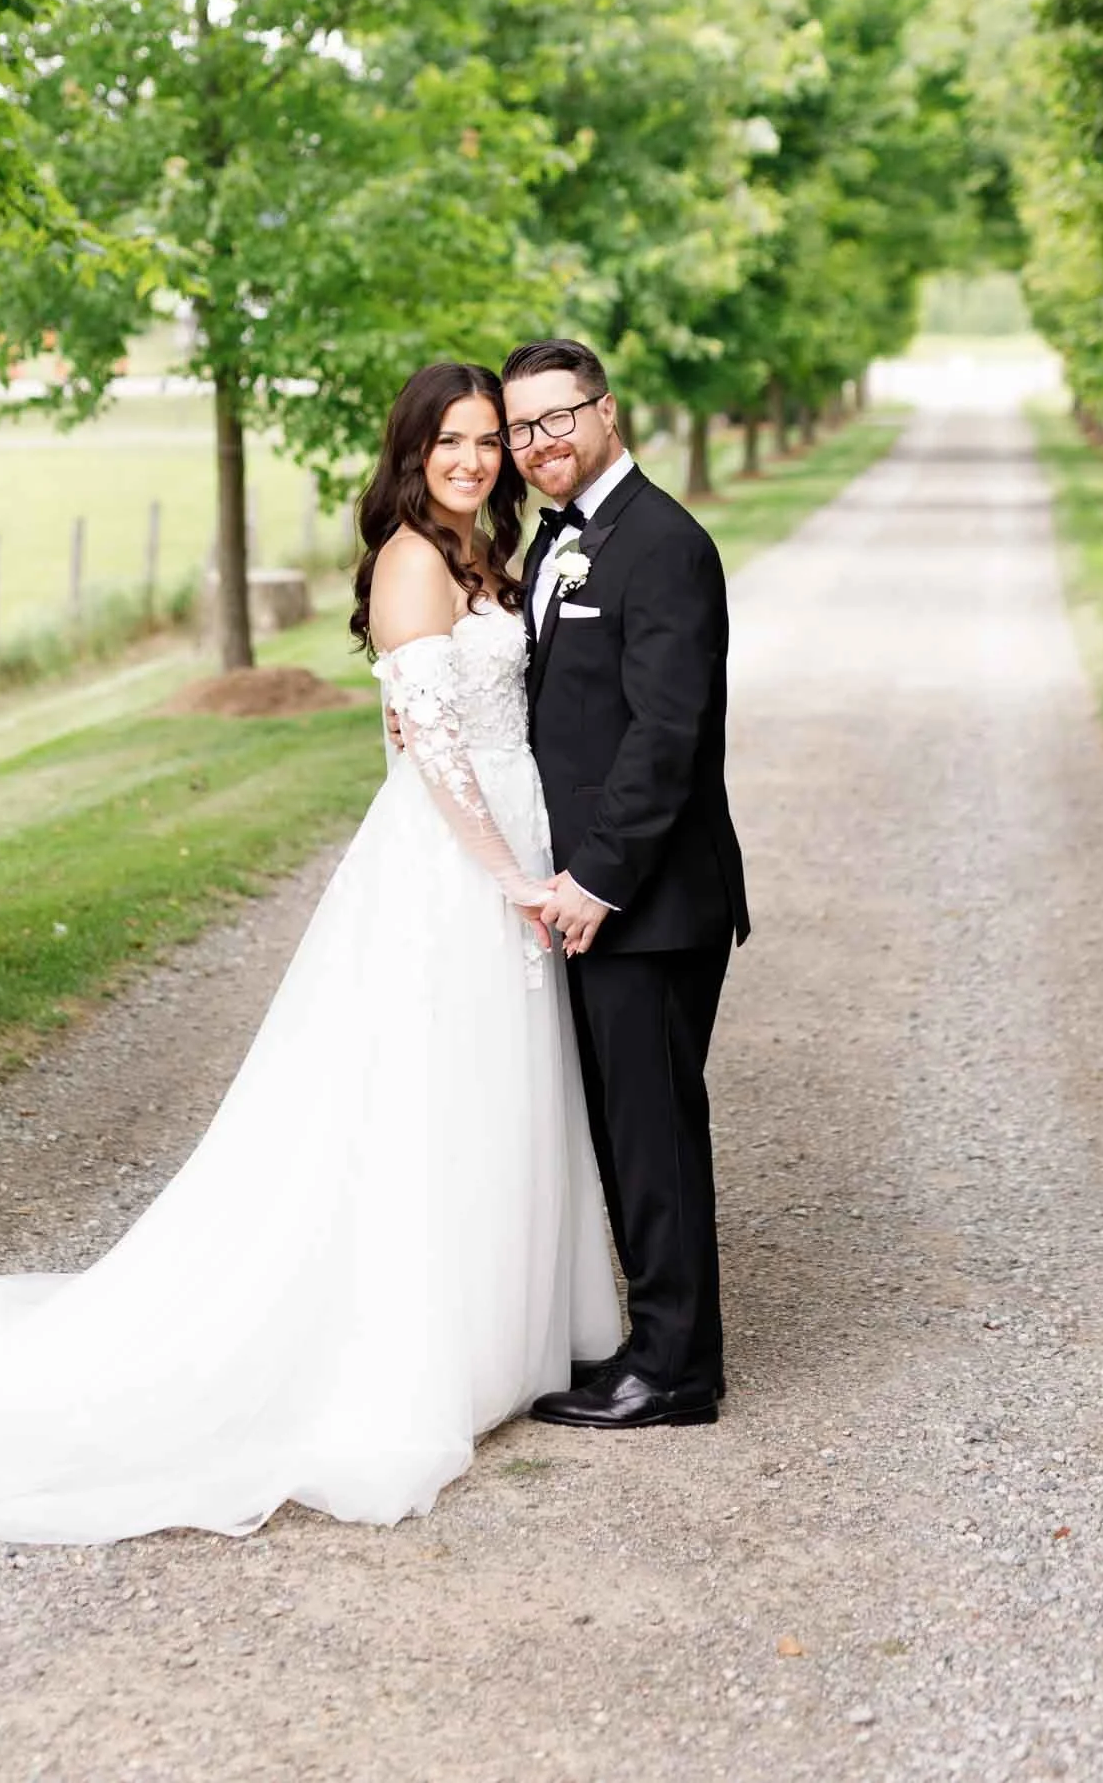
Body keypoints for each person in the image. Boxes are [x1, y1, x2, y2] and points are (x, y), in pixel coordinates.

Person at [0, 362, 619, 1544]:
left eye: (484, 442)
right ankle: (415, 1353)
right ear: (411, 453)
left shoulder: (476, 555)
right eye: (448, 442)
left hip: (501, 839)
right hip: (461, 861)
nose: (471, 459)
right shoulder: (414, 557)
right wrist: (500, 869)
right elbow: (434, 750)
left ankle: (496, 1331)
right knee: (420, 1096)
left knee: (479, 1090)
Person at [502, 339, 749, 1431]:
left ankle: (676, 1370)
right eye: (519, 430)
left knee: (651, 1134)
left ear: (604, 412)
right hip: (594, 899)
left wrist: (596, 879)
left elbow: (665, 735)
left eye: (555, 420)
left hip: (646, 904)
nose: (535, 444)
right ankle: (657, 1344)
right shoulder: (559, 541)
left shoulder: (661, 543)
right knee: (621, 1127)